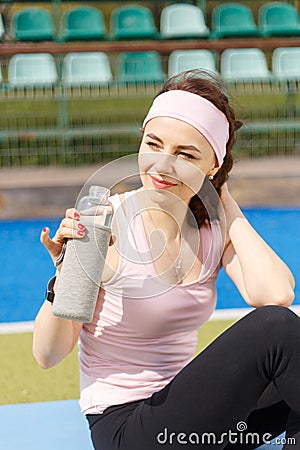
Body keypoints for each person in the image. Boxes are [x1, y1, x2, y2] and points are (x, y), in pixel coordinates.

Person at [33, 70, 300, 450]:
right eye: (153, 144)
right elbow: (47, 355)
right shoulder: (101, 225)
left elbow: (275, 293)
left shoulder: (211, 229)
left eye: (185, 155)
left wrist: (222, 198)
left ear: (212, 166)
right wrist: (65, 277)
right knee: (276, 330)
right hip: (129, 431)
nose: (161, 165)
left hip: (194, 421)